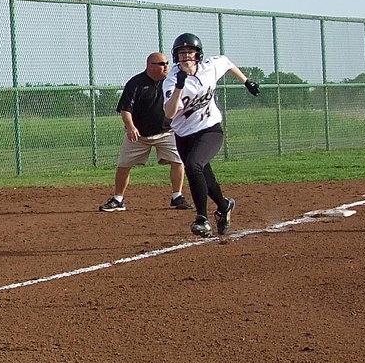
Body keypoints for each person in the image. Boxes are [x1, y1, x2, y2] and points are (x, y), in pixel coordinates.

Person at [162, 33, 260, 237]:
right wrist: (180, 86)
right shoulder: (172, 80)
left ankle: (202, 218)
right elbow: (170, 113)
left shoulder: (208, 67)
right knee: (205, 176)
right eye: (182, 53)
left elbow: (226, 62)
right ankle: (224, 206)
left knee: (193, 166)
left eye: (190, 52)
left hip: (210, 128)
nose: (186, 56)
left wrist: (246, 81)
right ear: (175, 56)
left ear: (198, 54)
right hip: (184, 135)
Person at [98, 53, 191, 212]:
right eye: (161, 64)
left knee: (178, 161)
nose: (166, 67)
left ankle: (177, 197)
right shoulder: (136, 83)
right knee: (123, 165)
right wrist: (130, 127)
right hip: (139, 135)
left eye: (167, 63)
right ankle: (118, 199)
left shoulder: (170, 82)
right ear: (150, 66)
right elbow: (125, 109)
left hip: (166, 132)